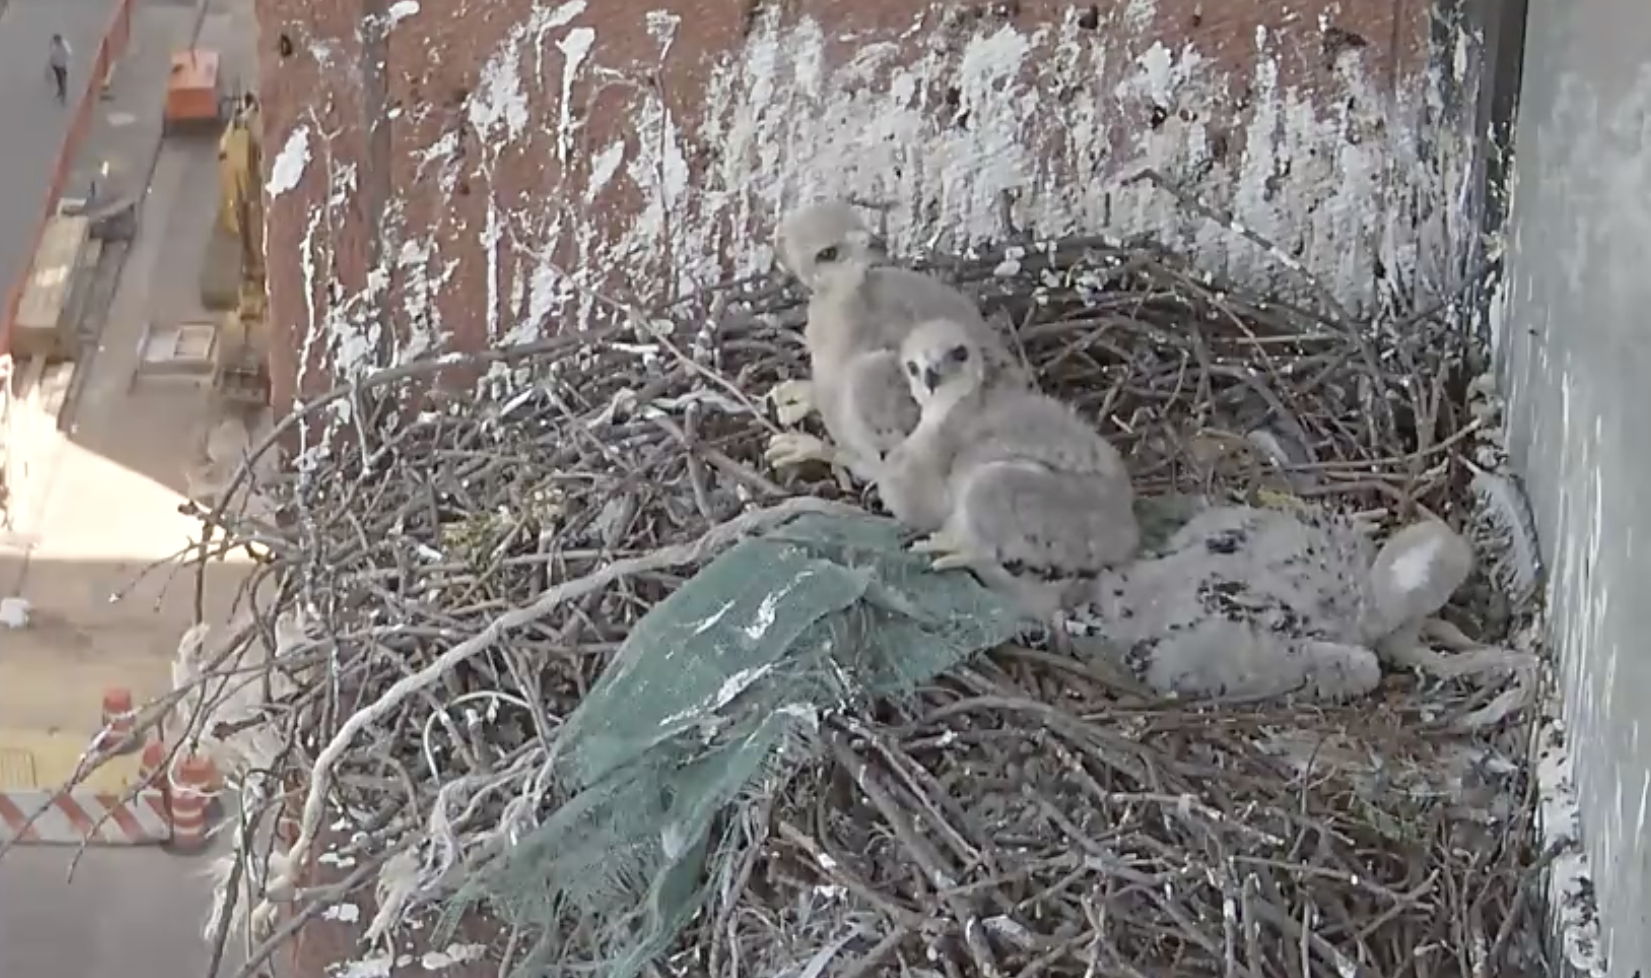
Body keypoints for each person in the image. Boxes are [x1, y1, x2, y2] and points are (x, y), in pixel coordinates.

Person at [47, 34, 70, 104]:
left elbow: (69, 54)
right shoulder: (53, 45)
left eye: (57, 40)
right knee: (59, 79)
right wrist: (51, 63)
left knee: (63, 80)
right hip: (55, 65)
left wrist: (66, 61)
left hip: (62, 65)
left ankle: (63, 96)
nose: (56, 42)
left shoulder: (65, 45)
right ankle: (60, 91)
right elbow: (51, 54)